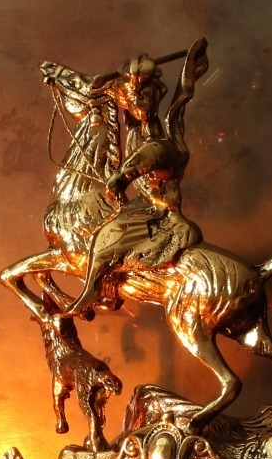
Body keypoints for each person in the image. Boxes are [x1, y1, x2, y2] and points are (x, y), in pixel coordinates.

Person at [63, 38, 208, 314]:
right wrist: (101, 84)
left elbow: (146, 155)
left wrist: (120, 179)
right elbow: (97, 88)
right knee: (102, 229)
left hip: (159, 211)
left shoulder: (158, 142)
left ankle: (92, 291)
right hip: (141, 205)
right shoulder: (133, 119)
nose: (137, 103)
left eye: (143, 95)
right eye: (132, 95)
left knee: (105, 238)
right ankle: (109, 289)